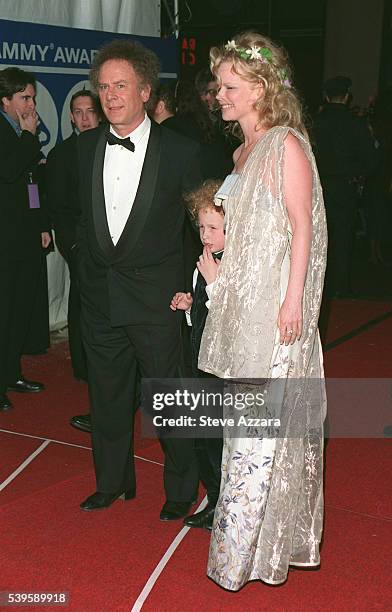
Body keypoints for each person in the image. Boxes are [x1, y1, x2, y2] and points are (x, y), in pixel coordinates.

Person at [198, 32, 328, 588]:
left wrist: (293, 301)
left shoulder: (284, 144)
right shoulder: (242, 152)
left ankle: (241, 559)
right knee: (242, 436)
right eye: (218, 85)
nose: (217, 95)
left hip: (274, 316)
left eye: (228, 86)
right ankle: (241, 552)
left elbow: (304, 226)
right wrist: (218, 275)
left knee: (258, 437)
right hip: (240, 311)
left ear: (259, 88)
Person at [76, 39, 201, 519]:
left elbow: (200, 228)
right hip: (100, 299)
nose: (110, 95)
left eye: (120, 85)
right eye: (103, 87)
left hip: (157, 301)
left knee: (171, 399)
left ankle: (181, 488)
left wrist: (190, 287)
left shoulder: (182, 152)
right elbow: (71, 217)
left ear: (145, 91)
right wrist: (82, 263)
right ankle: (111, 482)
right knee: (106, 398)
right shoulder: (83, 149)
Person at [170, 179, 224, 530]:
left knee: (221, 444)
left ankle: (225, 505)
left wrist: (215, 282)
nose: (205, 234)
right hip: (199, 361)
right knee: (203, 441)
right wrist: (190, 305)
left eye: (214, 228)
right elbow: (203, 314)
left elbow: (236, 316)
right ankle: (215, 498)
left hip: (223, 368)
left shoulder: (234, 265)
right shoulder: (201, 262)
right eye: (201, 226)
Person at [46, 89, 101, 434]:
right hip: (81, 248)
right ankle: (85, 368)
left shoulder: (110, 146)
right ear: (70, 117)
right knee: (83, 308)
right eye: (77, 112)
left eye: (88, 111)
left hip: (116, 250)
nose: (83, 118)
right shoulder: (62, 154)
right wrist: (75, 247)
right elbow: (59, 208)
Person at [0, 67, 51, 412]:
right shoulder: (14, 133)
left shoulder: (21, 131)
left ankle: (11, 372)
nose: (31, 104)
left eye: (32, 97)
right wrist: (30, 137)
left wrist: (41, 223)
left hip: (24, 235)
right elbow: (9, 170)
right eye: (24, 98)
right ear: (5, 101)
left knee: (19, 311)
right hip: (5, 239)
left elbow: (32, 184)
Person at [312, 76, 376, 299]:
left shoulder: (314, 122)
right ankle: (342, 286)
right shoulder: (355, 123)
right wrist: (358, 176)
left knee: (317, 237)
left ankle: (321, 285)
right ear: (347, 97)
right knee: (344, 237)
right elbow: (371, 158)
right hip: (345, 186)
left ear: (326, 96)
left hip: (318, 186)